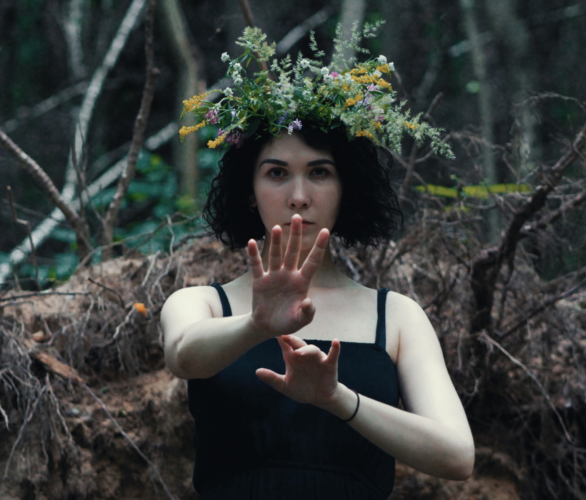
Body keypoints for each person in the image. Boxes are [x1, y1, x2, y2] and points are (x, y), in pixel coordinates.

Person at [161, 25, 474, 499]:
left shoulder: (397, 317)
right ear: (249, 192)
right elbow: (184, 356)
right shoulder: (201, 303)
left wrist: (336, 399)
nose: (299, 196)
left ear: (347, 190)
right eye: (277, 173)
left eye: (320, 173)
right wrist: (256, 325)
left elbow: (456, 455)